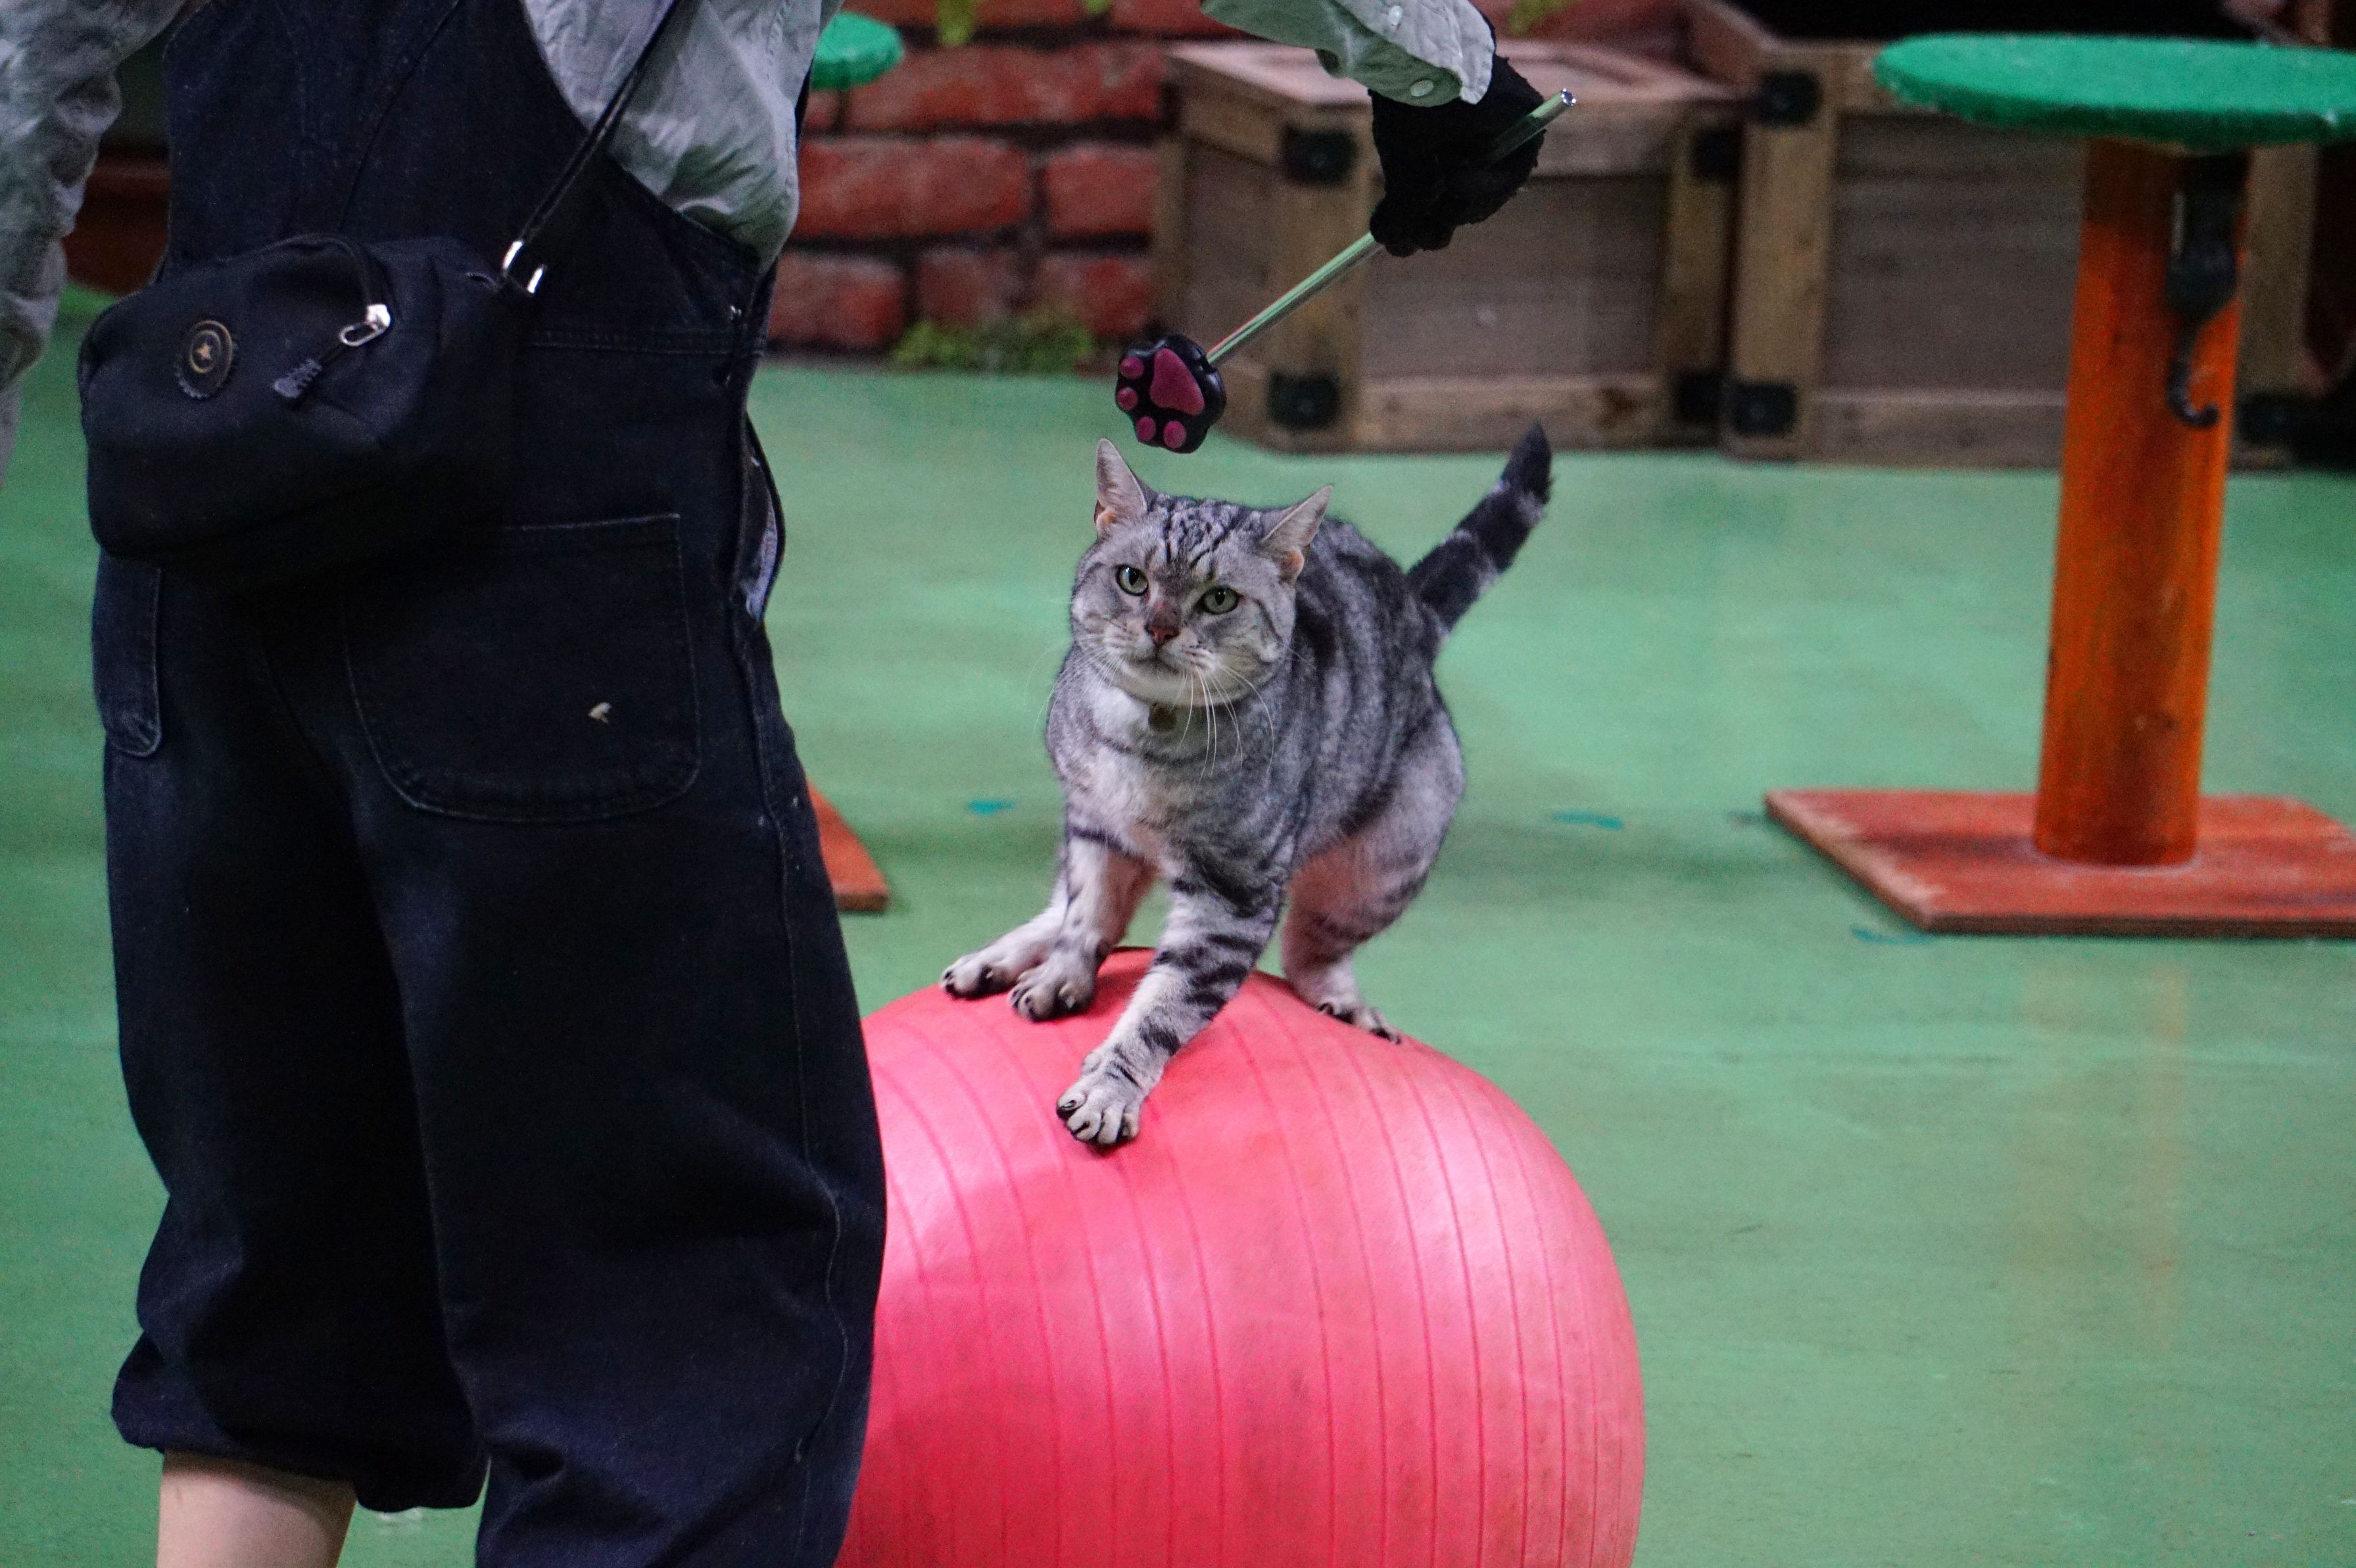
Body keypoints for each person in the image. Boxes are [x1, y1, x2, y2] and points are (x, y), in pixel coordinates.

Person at [0, 0, 1545, 1563]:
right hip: (539, 558)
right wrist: (1446, 72)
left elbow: (27, 52)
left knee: (280, 1270)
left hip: (203, 511)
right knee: (678, 1326)